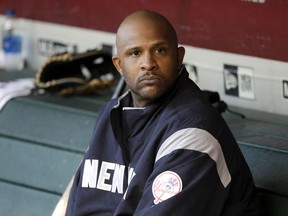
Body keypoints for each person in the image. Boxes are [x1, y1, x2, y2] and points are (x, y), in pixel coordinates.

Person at [65, 10, 261, 216]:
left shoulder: (193, 132)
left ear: (179, 58)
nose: (148, 64)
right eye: (135, 53)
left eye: (159, 51)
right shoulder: (111, 114)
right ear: (119, 65)